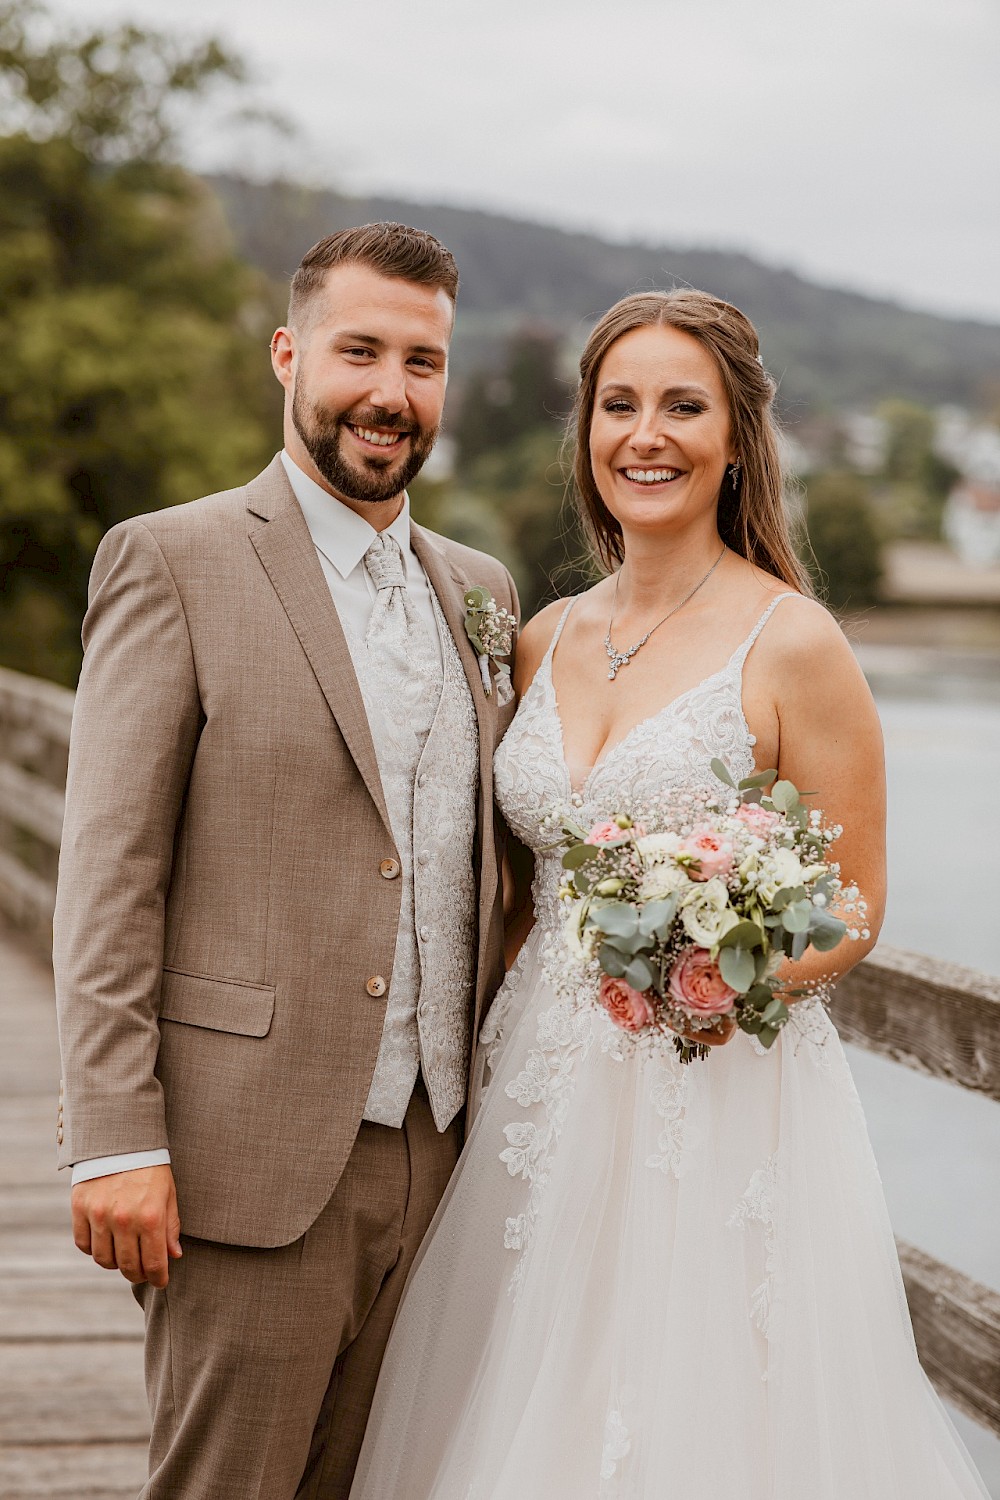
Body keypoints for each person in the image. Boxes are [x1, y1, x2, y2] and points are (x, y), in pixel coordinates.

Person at [348, 289, 990, 1498]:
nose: (646, 434)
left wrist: (714, 974)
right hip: (532, 1089)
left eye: (682, 406)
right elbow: (521, 893)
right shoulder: (539, 638)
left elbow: (852, 902)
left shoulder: (793, 643)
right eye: (619, 404)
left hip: (717, 1091)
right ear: (587, 431)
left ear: (737, 438)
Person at [53, 221, 520, 1500]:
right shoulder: (173, 559)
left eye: (420, 363)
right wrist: (113, 1138)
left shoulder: (480, 590)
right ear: (287, 354)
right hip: (244, 1156)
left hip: (444, 1156)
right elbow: (106, 874)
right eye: (359, 350)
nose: (389, 392)